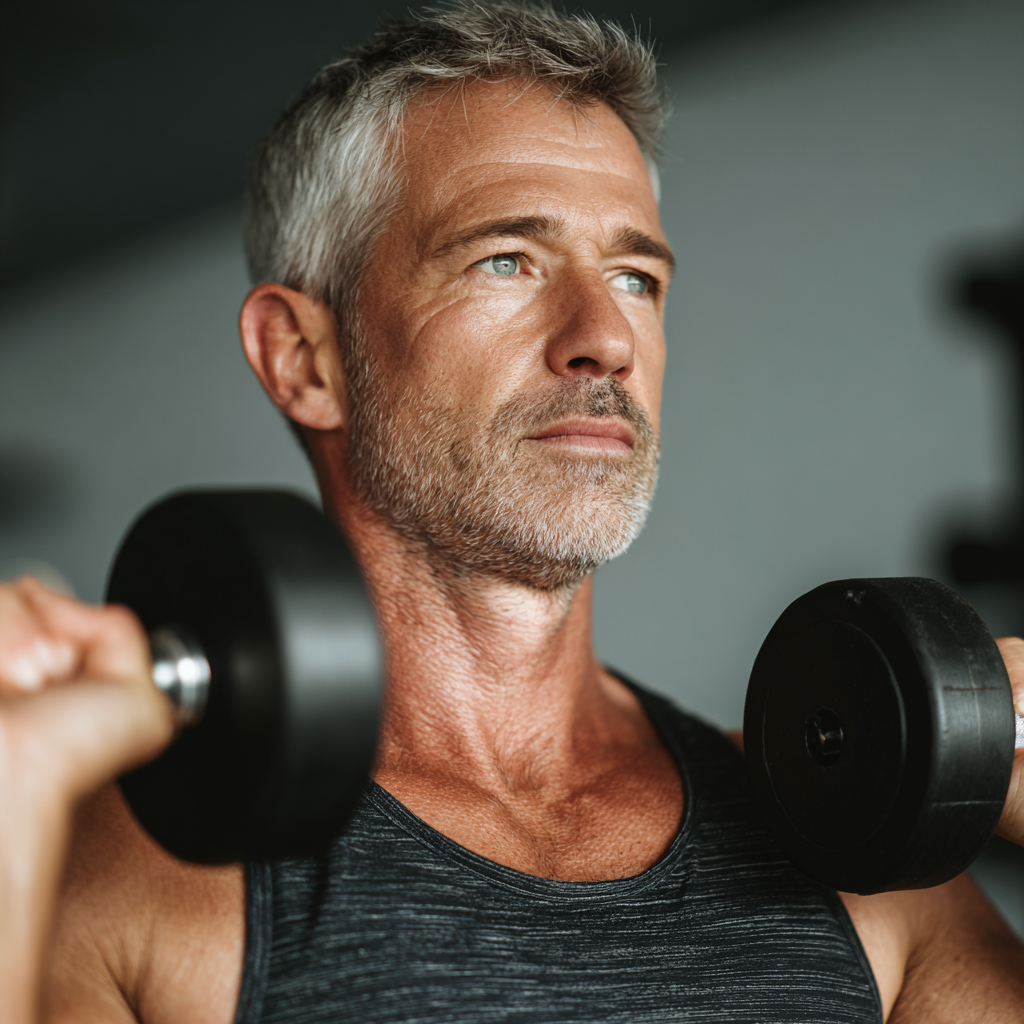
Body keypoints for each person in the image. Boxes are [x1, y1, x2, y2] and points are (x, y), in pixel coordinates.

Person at [1, 5, 1023, 1022]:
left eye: (634, 276)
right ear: (303, 359)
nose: (603, 339)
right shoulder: (116, 876)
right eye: (507, 260)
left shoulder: (850, 856)